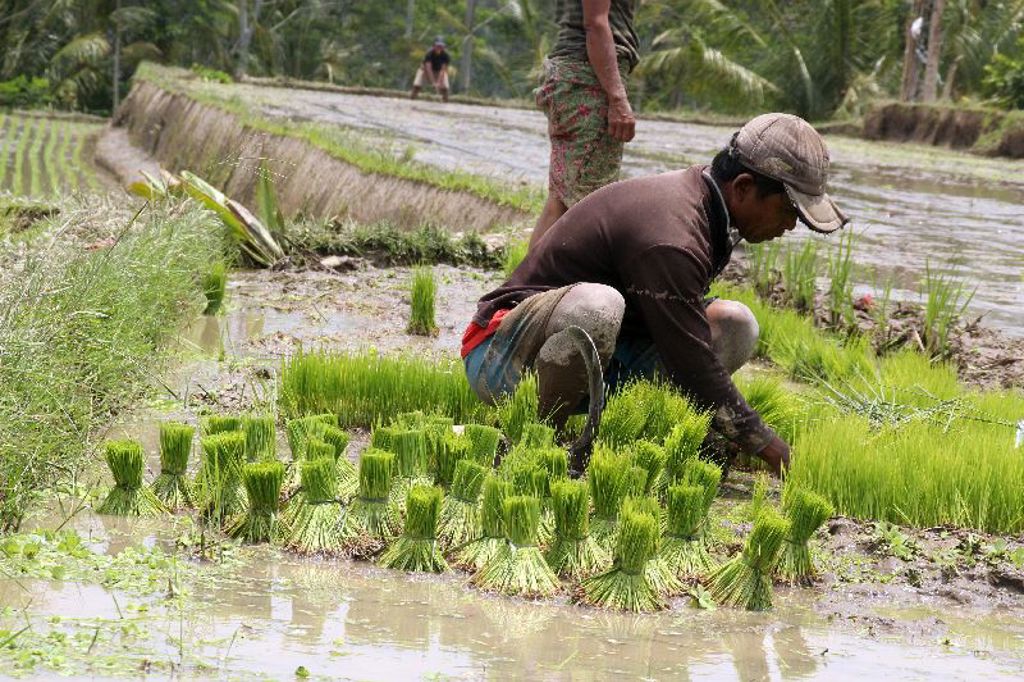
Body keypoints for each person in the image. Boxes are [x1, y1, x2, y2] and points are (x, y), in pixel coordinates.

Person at [461, 113, 849, 476]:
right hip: (504, 357)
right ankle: (537, 441)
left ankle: (656, 433)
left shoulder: (709, 208)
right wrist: (770, 448)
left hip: (602, 360)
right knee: (599, 306)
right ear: (744, 188)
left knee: (735, 324)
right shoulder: (673, 234)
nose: (790, 226)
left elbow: (688, 345)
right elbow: (691, 360)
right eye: (788, 211)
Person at [530, 0, 640, 249]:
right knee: (588, 204)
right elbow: (595, 23)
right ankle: (535, 285)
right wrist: (617, 97)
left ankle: (528, 286)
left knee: (563, 199)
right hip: (589, 77)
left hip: (581, 73)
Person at [411, 38, 451, 103]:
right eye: (437, 46)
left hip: (439, 71)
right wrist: (433, 82)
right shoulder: (429, 53)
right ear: (433, 46)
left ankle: (445, 103)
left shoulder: (446, 55)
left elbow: (442, 70)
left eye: (441, 46)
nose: (439, 48)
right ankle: (411, 100)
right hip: (425, 70)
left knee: (445, 88)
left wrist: (438, 82)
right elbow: (428, 68)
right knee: (417, 85)